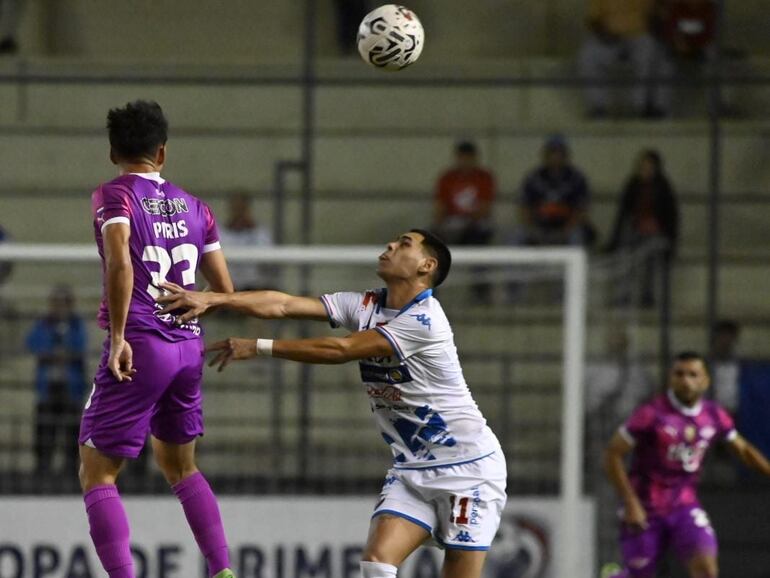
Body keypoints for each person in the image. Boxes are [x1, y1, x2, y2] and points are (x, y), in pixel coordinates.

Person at [157, 229, 507, 578]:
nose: (390, 245)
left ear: (426, 266)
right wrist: (217, 299)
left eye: (404, 245)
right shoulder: (368, 305)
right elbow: (284, 304)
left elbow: (341, 350)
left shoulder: (425, 321)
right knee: (377, 561)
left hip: (469, 470)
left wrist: (259, 346)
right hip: (412, 468)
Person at [78, 100, 236, 578]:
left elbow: (121, 261)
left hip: (141, 344)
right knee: (181, 467)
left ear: (112, 152)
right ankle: (222, 570)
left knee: (97, 471)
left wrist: (121, 335)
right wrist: (198, 304)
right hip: (187, 346)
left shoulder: (113, 196)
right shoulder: (196, 207)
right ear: (162, 153)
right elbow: (224, 291)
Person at [601, 351, 770, 578]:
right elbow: (612, 454)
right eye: (679, 374)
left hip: (684, 507)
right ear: (670, 378)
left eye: (693, 374)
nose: (685, 380)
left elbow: (743, 450)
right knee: (639, 574)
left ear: (705, 380)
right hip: (645, 508)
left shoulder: (713, 415)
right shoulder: (651, 414)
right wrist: (630, 502)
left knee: (707, 570)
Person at [26, 285, 87, 476]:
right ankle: (42, 470)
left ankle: (70, 471)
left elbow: (80, 345)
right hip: (48, 386)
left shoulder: (76, 324)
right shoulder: (43, 324)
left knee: (71, 431)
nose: (59, 307)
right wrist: (51, 352)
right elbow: (32, 343)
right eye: (56, 303)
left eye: (64, 303)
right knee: (45, 430)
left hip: (70, 387)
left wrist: (67, 353)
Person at [606, 149, 679, 306]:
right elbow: (622, 215)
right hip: (636, 232)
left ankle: (648, 295)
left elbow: (671, 219)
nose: (645, 169)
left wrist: (668, 240)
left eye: (649, 166)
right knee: (624, 253)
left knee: (651, 254)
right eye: (642, 166)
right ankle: (623, 294)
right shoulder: (632, 185)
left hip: (657, 235)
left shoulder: (664, 188)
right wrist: (615, 240)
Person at [579, 0, 667, 118]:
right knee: (588, 55)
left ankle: (641, 106)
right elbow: (593, 20)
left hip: (639, 35)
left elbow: (657, 15)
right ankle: (598, 107)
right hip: (609, 36)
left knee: (651, 50)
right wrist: (605, 34)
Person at [433, 140, 496, 301]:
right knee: (430, 244)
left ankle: (481, 293)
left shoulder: (484, 177)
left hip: (475, 225)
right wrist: (443, 226)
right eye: (462, 157)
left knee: (479, 240)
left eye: (469, 158)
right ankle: (430, 293)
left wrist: (467, 222)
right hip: (452, 223)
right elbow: (440, 208)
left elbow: (485, 208)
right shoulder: (447, 178)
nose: (465, 161)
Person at [516, 135, 593, 247]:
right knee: (517, 235)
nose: (555, 156)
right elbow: (524, 207)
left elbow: (581, 210)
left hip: (566, 227)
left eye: (559, 153)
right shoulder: (533, 177)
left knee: (577, 236)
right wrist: (532, 229)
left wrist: (566, 231)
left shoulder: (577, 178)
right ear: (545, 155)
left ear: (566, 155)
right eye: (552, 152)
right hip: (539, 227)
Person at [218, 193, 274, 291]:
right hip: (227, 288)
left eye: (241, 208)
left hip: (254, 287)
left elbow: (268, 265)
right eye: (235, 208)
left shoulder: (261, 234)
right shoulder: (220, 234)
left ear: (247, 209)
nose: (238, 212)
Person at [708, 320, 741, 415]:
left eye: (729, 337)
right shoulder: (706, 365)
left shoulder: (739, 366)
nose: (725, 341)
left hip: (733, 411)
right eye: (722, 337)